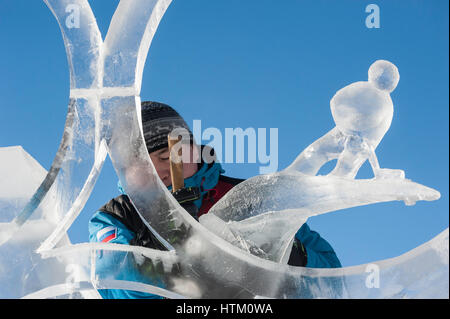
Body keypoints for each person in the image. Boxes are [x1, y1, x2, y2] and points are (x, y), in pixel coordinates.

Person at [89, 101, 342, 299]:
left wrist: (286, 252)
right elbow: (114, 282)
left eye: (167, 157)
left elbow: (332, 279)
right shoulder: (116, 217)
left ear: (194, 149)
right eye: (143, 165)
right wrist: (167, 248)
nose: (160, 171)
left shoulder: (249, 197)